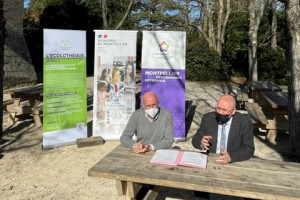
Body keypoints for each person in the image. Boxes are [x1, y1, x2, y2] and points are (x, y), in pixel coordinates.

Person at [192, 94, 254, 164]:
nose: (220, 112)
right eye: (218, 108)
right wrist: (201, 142)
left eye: (224, 110)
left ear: (233, 111)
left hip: (233, 162)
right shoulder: (208, 118)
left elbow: (249, 149)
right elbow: (195, 139)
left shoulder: (244, 122)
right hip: (212, 159)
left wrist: (231, 157)